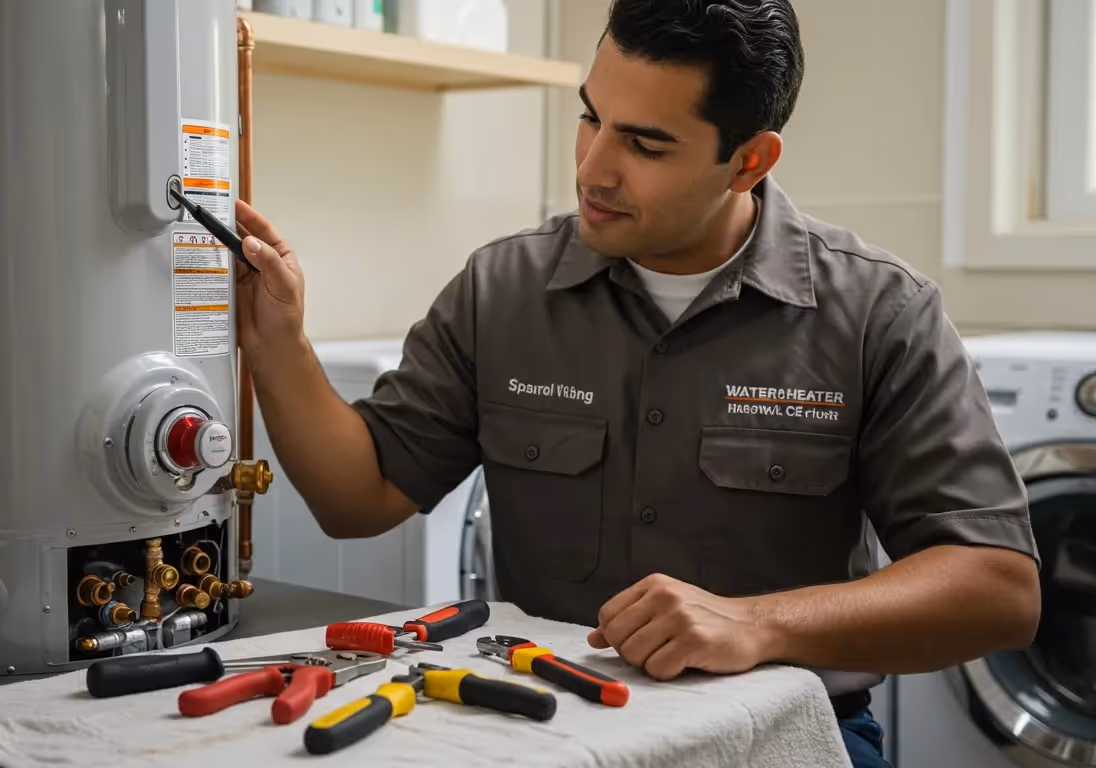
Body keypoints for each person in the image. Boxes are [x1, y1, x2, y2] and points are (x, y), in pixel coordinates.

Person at [231, 1, 1040, 766]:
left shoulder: (879, 311)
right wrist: (280, 343)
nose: (593, 167)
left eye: (646, 145)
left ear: (748, 160)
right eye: (590, 117)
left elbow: (996, 587)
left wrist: (756, 625)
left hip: (785, 731)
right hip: (547, 726)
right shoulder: (501, 290)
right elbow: (357, 498)